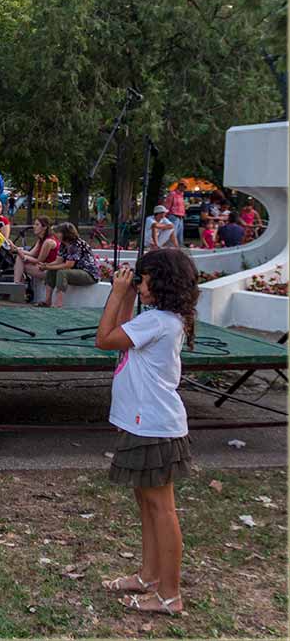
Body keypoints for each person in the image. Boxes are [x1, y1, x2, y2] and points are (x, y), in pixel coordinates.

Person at [96, 248, 199, 616]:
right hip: (147, 423)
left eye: (142, 279)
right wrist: (126, 296)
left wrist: (116, 293)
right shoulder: (162, 320)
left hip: (153, 426)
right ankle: (149, 576)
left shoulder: (157, 321)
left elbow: (104, 338)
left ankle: (169, 595)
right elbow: (123, 333)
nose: (138, 285)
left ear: (161, 281)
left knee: (162, 509)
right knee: (148, 505)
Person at [37, 222, 100, 308]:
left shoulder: (75, 244)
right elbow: (58, 261)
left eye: (58, 232)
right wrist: (46, 266)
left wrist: (48, 266)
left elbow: (68, 265)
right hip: (76, 271)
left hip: (89, 274)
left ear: (65, 233)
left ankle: (58, 304)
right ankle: (47, 301)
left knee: (62, 273)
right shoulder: (63, 245)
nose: (55, 235)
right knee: (51, 271)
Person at [13, 216, 59, 289]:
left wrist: (24, 257)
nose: (34, 227)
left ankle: (17, 286)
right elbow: (32, 253)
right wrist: (15, 249)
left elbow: (39, 261)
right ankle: (18, 285)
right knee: (19, 260)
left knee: (19, 263)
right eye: (34, 224)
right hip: (42, 267)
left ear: (44, 227)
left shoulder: (48, 242)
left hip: (50, 271)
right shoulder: (41, 239)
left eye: (37, 225)